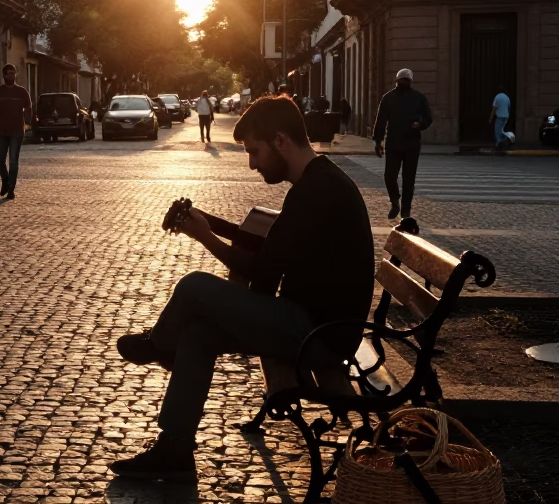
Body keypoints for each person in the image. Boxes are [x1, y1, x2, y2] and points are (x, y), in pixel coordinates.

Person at [110, 95, 374, 481]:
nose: (252, 163)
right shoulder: (317, 183)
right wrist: (210, 223)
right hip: (309, 323)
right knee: (199, 335)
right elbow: (270, 258)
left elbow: (262, 271)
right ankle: (174, 449)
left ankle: (159, 345)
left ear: (280, 140)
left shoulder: (317, 191)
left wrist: (206, 237)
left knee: (194, 286)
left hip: (319, 334)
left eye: (254, 151)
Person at [372, 68, 433, 220]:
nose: (404, 82)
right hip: (393, 143)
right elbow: (380, 121)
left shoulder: (419, 98)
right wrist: (378, 141)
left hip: (412, 143)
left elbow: (428, 118)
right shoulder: (388, 98)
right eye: (401, 80)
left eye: (406, 80)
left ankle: (406, 210)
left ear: (410, 81)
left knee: (409, 178)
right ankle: (395, 201)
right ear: (397, 81)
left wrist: (420, 124)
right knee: (389, 176)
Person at [0, 63, 32, 200]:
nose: (13, 76)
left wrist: (28, 124)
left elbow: (29, 107)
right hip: (1, 131)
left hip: (17, 131)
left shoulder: (22, 92)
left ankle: (11, 189)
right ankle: (5, 181)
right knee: (0, 160)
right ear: (4, 75)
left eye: (14, 73)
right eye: (10, 73)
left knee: (13, 161)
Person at [489, 84, 512, 152]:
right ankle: (505, 141)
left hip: (499, 116)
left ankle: (499, 144)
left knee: (497, 131)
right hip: (506, 116)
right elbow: (509, 107)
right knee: (503, 130)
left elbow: (494, 109)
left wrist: (490, 118)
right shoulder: (507, 97)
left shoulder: (497, 97)